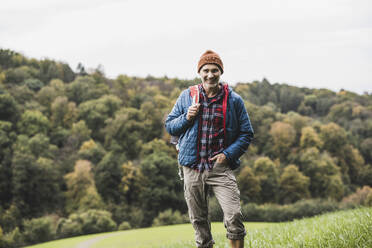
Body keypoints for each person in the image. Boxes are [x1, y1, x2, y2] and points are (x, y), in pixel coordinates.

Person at [165, 50, 254, 248]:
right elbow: (170, 126)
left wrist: (227, 154)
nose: (210, 74)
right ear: (200, 72)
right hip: (192, 167)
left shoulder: (234, 100)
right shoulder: (187, 97)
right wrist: (187, 117)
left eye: (215, 70)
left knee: (234, 215)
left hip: (220, 167)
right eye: (206, 70)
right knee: (199, 221)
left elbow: (246, 133)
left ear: (220, 72)